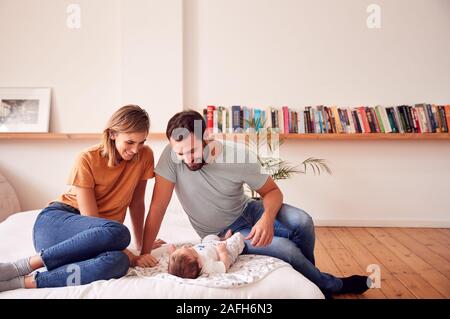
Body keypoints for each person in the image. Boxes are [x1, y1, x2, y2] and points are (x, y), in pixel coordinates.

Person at [140, 110, 370, 297]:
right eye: (180, 153)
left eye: (192, 150)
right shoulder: (171, 156)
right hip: (224, 233)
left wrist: (266, 219)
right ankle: (332, 286)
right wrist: (144, 250)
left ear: (206, 137)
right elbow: (158, 206)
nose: (186, 159)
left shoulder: (237, 156)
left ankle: (311, 283)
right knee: (285, 248)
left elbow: (272, 192)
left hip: (248, 209)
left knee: (303, 221)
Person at [0, 105, 162, 292]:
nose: (136, 149)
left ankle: (21, 282)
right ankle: (19, 267)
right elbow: (90, 220)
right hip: (56, 224)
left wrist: (141, 246)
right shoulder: (87, 159)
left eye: (141, 142)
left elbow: (137, 203)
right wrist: (134, 256)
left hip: (101, 236)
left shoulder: (145, 155)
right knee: (121, 234)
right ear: (113, 134)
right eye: (130, 142)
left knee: (118, 262)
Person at [168, 230, 244, 279]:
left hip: (208, 244)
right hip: (223, 250)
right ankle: (228, 240)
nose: (185, 246)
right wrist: (222, 252)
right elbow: (224, 266)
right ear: (199, 263)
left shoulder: (189, 259)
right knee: (237, 239)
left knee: (209, 237)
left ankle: (224, 238)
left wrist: (173, 254)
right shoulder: (207, 266)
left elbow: (178, 264)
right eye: (190, 250)